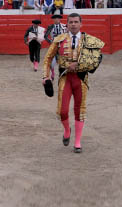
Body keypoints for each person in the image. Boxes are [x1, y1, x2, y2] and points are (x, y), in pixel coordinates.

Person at [41, 13, 105, 153]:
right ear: (67, 24)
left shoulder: (89, 40)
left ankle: (77, 142)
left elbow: (96, 59)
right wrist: (45, 78)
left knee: (79, 110)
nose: (74, 24)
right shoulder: (59, 40)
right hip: (65, 78)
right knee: (62, 111)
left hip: (81, 79)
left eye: (76, 22)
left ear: (81, 24)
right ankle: (67, 131)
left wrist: (81, 64)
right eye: (71, 22)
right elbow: (47, 59)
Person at [44, 14, 67, 79]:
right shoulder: (50, 27)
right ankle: (53, 72)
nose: (56, 20)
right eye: (55, 19)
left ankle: (61, 74)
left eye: (58, 18)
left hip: (61, 46)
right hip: (53, 46)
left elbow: (67, 35)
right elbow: (45, 36)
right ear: (53, 20)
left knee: (62, 61)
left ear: (60, 19)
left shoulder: (64, 26)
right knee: (51, 62)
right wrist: (51, 42)